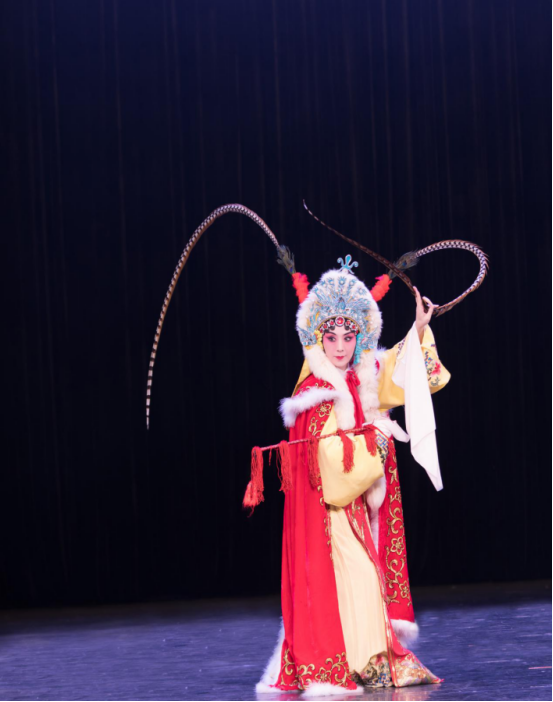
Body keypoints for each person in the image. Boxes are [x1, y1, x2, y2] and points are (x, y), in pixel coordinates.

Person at [255, 257, 450, 694]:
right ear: (318, 339)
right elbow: (328, 464)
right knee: (356, 579)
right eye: (331, 337)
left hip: (355, 508)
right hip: (329, 511)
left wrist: (419, 328)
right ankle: (355, 662)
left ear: (359, 336)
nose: (340, 347)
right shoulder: (316, 393)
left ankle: (368, 661)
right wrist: (376, 439)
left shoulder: (360, 375)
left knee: (364, 581)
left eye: (349, 336)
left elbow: (404, 370)